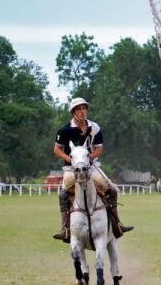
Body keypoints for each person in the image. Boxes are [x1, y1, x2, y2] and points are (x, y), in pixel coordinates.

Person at [52, 97, 134, 242]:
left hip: (91, 166)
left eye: (84, 108)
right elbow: (57, 149)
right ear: (73, 112)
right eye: (79, 109)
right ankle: (65, 228)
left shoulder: (94, 127)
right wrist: (71, 159)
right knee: (63, 194)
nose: (82, 111)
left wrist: (89, 158)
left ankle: (116, 224)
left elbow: (98, 149)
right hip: (71, 169)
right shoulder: (65, 130)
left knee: (112, 190)